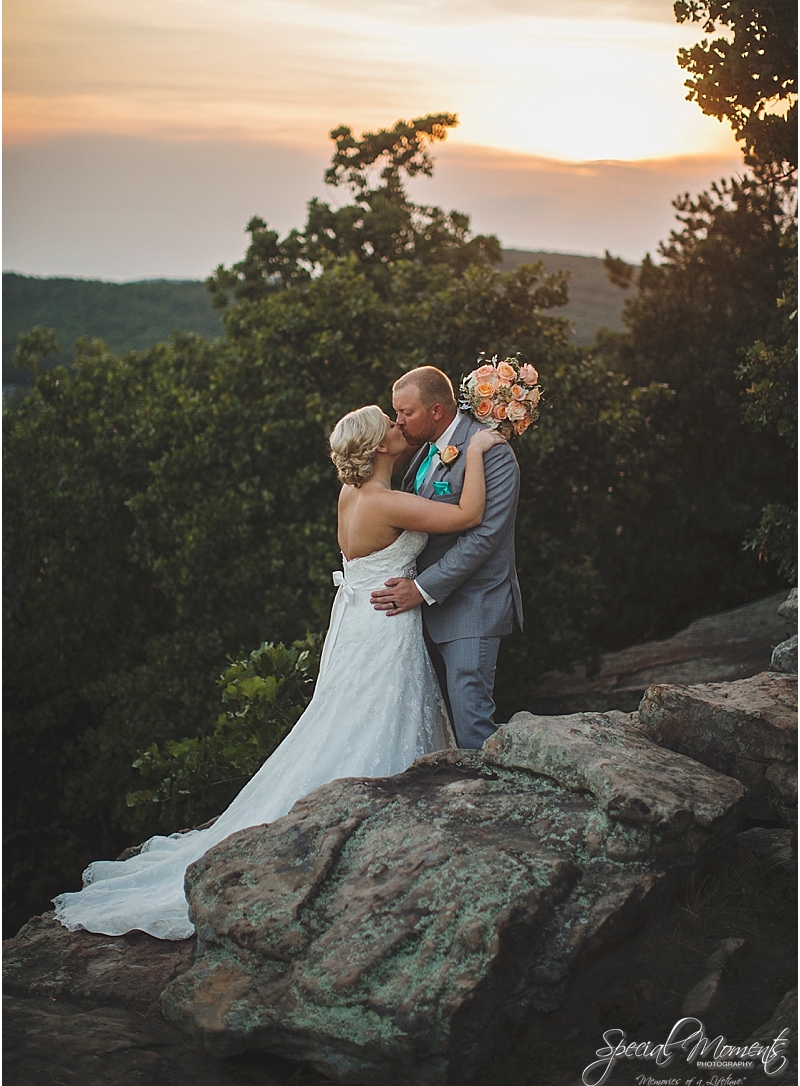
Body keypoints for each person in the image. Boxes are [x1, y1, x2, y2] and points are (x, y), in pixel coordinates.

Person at [53, 405, 505, 940]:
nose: (396, 425)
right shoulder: (384, 501)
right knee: (372, 717)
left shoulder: (356, 493)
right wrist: (476, 451)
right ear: (379, 446)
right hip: (383, 627)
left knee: (353, 716)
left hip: (365, 618)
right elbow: (469, 515)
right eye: (388, 422)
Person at [370, 366, 523, 749]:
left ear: (437, 411)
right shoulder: (426, 445)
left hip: (473, 607)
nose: (399, 422)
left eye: (407, 413)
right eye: (396, 413)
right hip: (423, 613)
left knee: (472, 725)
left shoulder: (493, 452)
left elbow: (485, 536)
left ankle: (488, 804)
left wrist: (422, 588)